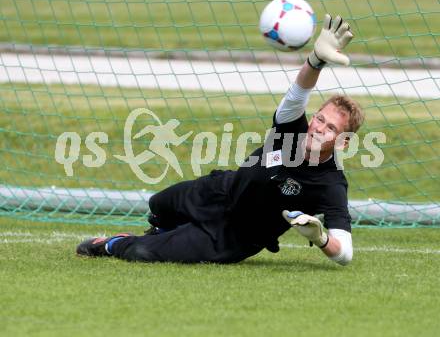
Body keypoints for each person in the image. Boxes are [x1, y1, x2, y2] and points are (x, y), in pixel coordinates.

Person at [77, 14, 364, 266]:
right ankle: (165, 235)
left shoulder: (331, 185)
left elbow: (345, 253)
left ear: (342, 142)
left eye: (331, 129)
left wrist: (322, 237)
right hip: (218, 191)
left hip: (233, 236)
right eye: (320, 119)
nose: (318, 128)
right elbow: (298, 93)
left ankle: (112, 244)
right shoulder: (291, 129)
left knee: (140, 251)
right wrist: (316, 60)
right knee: (158, 204)